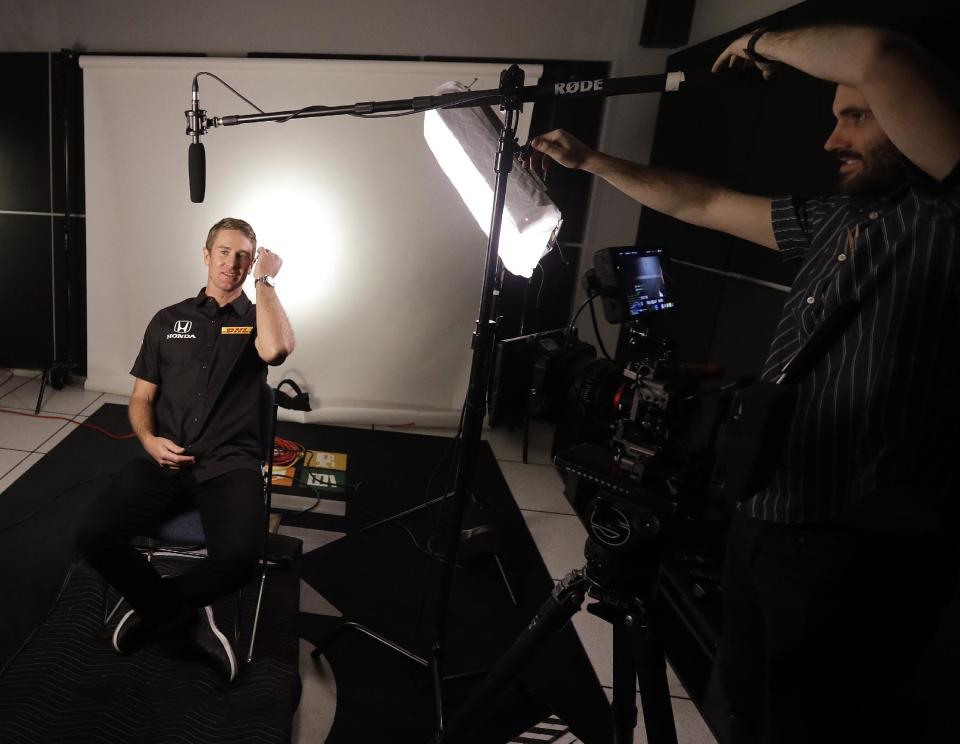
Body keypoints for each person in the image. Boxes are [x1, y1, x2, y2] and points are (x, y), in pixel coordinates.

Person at [527, 23, 960, 744]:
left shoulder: (947, 220)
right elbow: (701, 202)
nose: (832, 140)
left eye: (856, 115)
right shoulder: (840, 220)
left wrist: (761, 43)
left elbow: (879, 55)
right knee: (743, 706)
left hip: (858, 549)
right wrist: (595, 160)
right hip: (766, 517)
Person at [77, 217, 295, 683]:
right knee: (93, 535)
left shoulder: (258, 319)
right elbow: (141, 399)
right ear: (206, 254)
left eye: (243, 256)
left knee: (239, 559)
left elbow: (277, 350)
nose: (231, 264)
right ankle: (179, 616)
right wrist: (149, 440)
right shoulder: (167, 320)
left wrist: (266, 282)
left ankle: (156, 609)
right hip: (165, 461)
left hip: (229, 465)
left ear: (251, 263)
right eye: (223, 252)